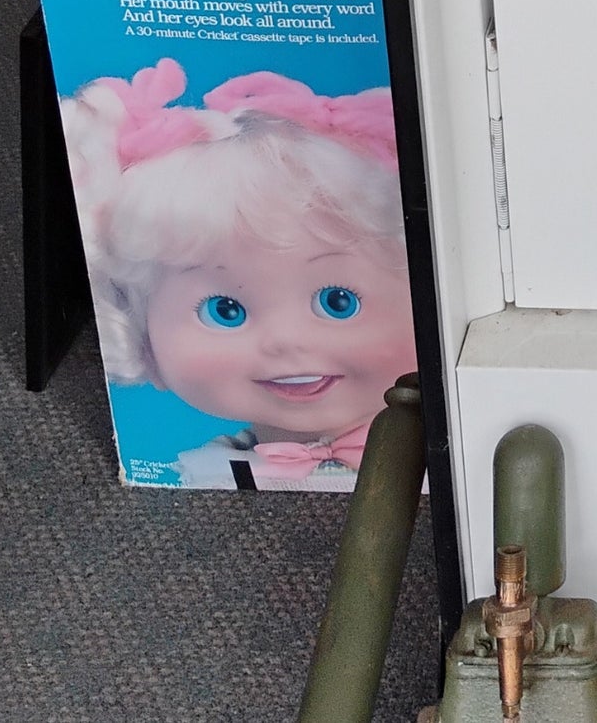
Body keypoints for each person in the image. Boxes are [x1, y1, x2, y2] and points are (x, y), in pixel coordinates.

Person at [61, 59, 415, 490]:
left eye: (337, 301)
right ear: (139, 328)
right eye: (225, 310)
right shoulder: (199, 470)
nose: (285, 340)